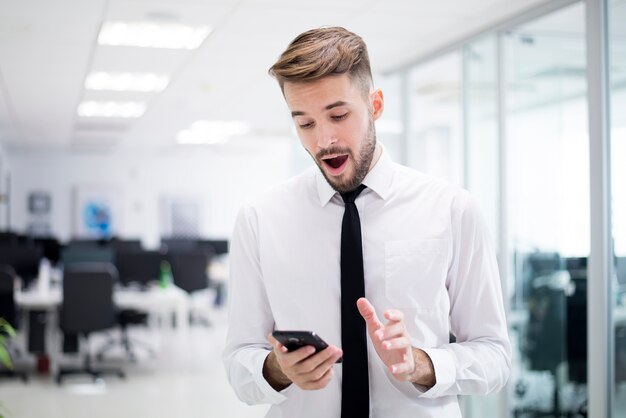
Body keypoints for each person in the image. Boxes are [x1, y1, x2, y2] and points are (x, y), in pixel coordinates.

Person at [223, 27, 511, 417]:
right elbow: (240, 359)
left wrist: (422, 363)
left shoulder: (452, 210)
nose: (324, 139)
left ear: (375, 105)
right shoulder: (260, 219)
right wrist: (276, 368)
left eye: (338, 115)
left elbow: (495, 357)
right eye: (304, 123)